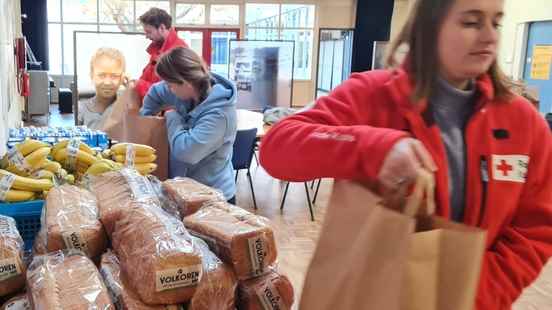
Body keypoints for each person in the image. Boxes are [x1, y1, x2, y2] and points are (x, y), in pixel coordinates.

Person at [259, 0, 552, 309]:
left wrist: (477, 293)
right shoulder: (373, 95)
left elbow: (536, 227)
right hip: (368, 294)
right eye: (471, 22)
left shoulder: (523, 123)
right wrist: (373, 147)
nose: (489, 36)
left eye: (497, 22)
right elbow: (278, 146)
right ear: (430, 27)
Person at [140, 47, 238, 203]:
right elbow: (156, 92)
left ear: (186, 83)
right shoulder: (187, 90)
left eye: (171, 85)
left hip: (213, 198)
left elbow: (187, 152)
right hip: (183, 192)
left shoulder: (220, 115)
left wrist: (172, 116)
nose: (168, 89)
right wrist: (146, 116)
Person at [135, 7, 187, 101]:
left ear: (162, 28)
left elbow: (168, 93)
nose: (146, 36)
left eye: (149, 32)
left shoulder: (177, 53)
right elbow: (146, 78)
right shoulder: (157, 49)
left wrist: (137, 84)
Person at [78, 47, 125, 130]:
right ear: (92, 76)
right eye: (101, 75)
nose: (107, 82)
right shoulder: (81, 109)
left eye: (114, 76)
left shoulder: (125, 106)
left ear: (122, 78)